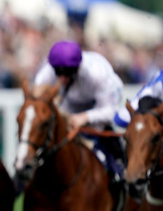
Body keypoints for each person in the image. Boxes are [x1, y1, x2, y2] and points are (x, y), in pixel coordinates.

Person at [34, 40, 125, 181]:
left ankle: (119, 170)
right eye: (59, 72)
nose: (62, 78)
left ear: (77, 68)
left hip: (100, 104)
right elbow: (36, 105)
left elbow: (111, 112)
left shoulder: (97, 73)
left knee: (101, 132)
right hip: (71, 103)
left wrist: (85, 117)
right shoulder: (46, 73)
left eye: (68, 72)